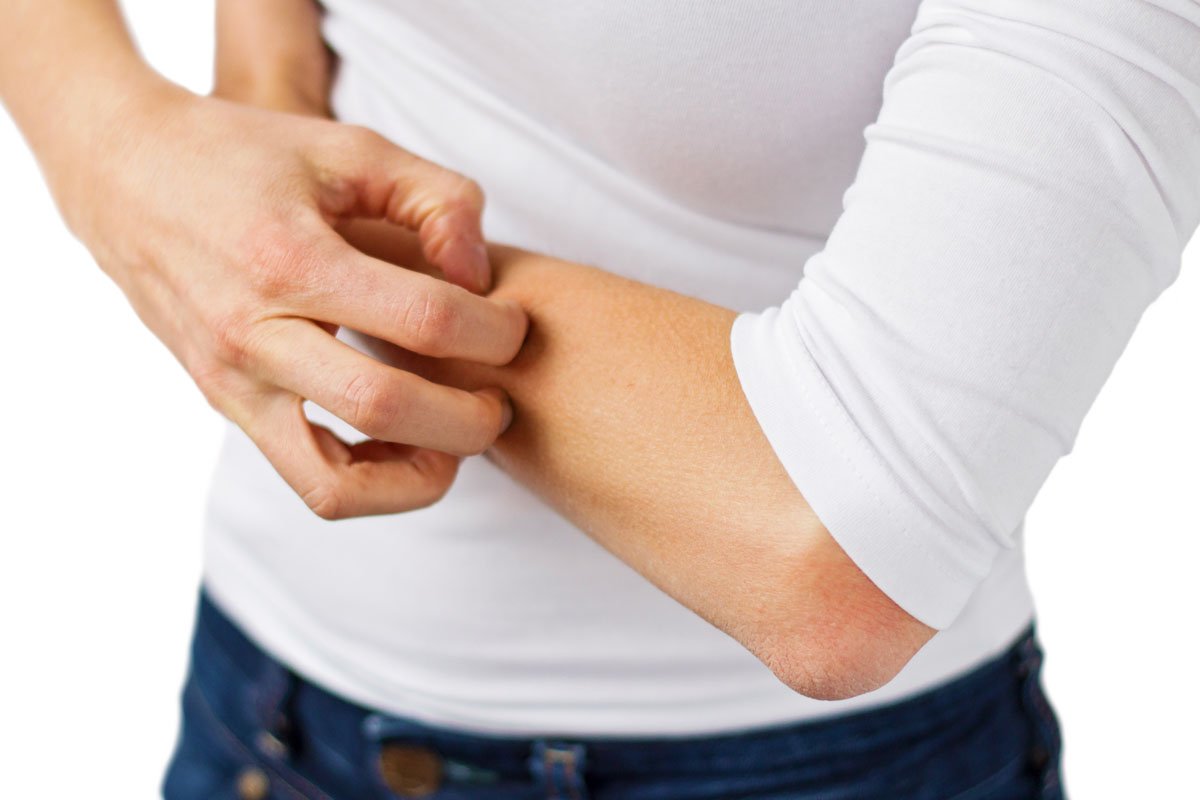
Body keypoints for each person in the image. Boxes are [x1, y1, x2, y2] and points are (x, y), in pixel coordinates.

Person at [3, 0, 1197, 797]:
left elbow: (832, 544)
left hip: (827, 767)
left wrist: (262, 242)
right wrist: (120, 138)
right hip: (270, 706)